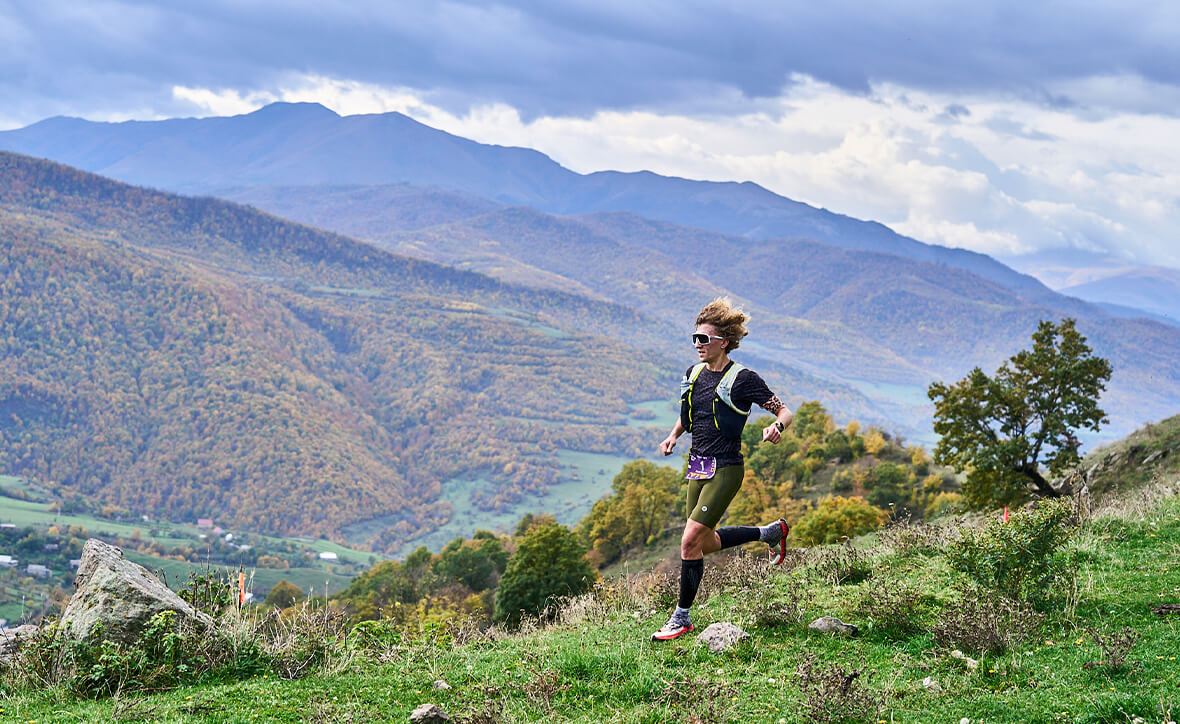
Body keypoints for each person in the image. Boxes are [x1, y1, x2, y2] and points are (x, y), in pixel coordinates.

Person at [651, 298, 794, 642]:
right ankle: (769, 533)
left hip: (726, 468)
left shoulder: (743, 379)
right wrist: (672, 437)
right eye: (694, 339)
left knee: (688, 542)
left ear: (724, 342)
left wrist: (778, 427)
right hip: (697, 467)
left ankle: (682, 618)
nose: (698, 345)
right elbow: (689, 418)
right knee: (704, 543)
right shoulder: (693, 374)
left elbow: (784, 410)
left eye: (704, 339)